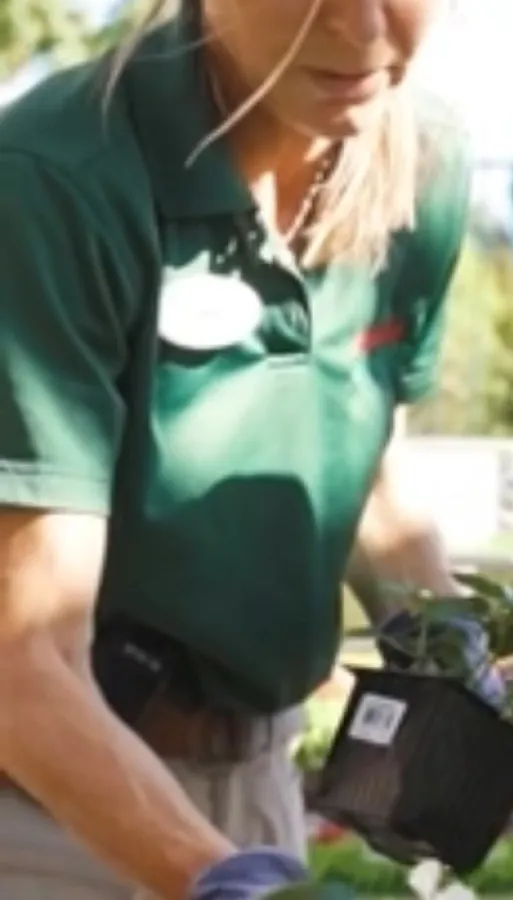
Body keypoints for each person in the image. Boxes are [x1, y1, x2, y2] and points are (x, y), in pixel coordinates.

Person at [0, 0, 469, 897]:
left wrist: (469, 692)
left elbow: (367, 476)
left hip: (262, 780)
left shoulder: (423, 162)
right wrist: (227, 879)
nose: (366, 28)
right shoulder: (52, 180)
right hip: (40, 811)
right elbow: (24, 664)